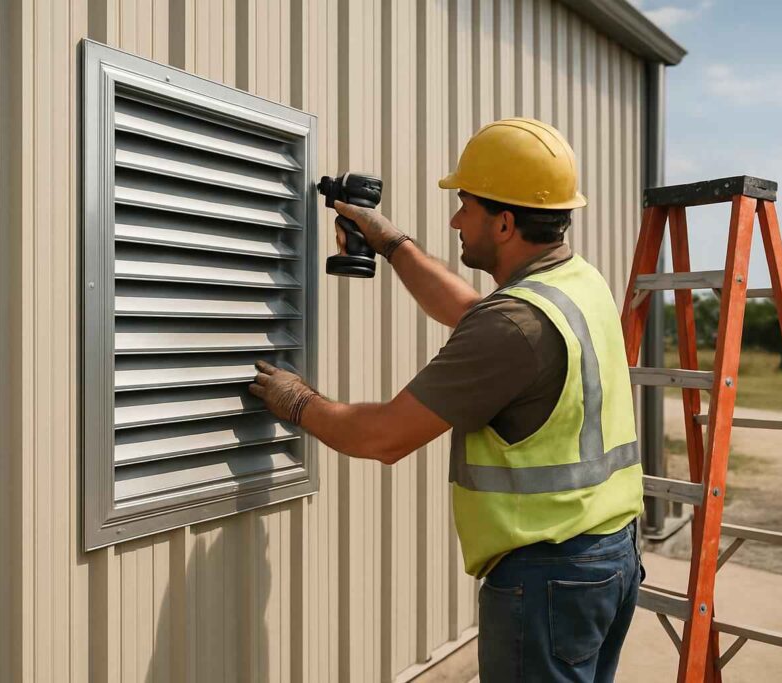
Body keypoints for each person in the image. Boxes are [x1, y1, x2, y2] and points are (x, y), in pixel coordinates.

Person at [248, 118, 645, 682]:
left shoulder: (515, 326)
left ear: (504, 222)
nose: (456, 219)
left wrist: (295, 401)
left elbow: (383, 437)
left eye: (467, 206)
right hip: (609, 558)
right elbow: (474, 313)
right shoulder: (576, 281)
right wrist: (389, 241)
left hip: (549, 576)